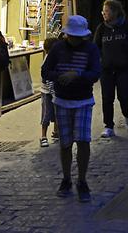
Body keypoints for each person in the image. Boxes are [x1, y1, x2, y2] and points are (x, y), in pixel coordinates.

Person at [41, 15, 101, 202]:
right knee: (65, 143)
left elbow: (95, 73)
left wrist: (77, 75)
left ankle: (82, 180)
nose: (74, 40)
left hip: (83, 100)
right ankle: (66, 178)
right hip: (62, 100)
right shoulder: (58, 48)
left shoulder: (91, 49)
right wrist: (60, 76)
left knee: (83, 140)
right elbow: (45, 72)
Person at [94, 0, 128, 138]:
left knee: (124, 95)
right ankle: (108, 125)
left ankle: (127, 115)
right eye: (103, 11)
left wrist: (127, 59)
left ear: (114, 12)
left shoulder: (126, 27)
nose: (104, 13)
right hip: (107, 70)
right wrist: (100, 61)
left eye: (107, 11)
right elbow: (95, 47)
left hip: (124, 69)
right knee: (107, 97)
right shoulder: (101, 29)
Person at [39, 36, 59, 147]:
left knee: (57, 112)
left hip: (54, 91)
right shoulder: (48, 60)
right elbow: (45, 77)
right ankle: (43, 136)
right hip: (47, 91)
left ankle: (56, 132)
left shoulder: (54, 58)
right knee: (46, 114)